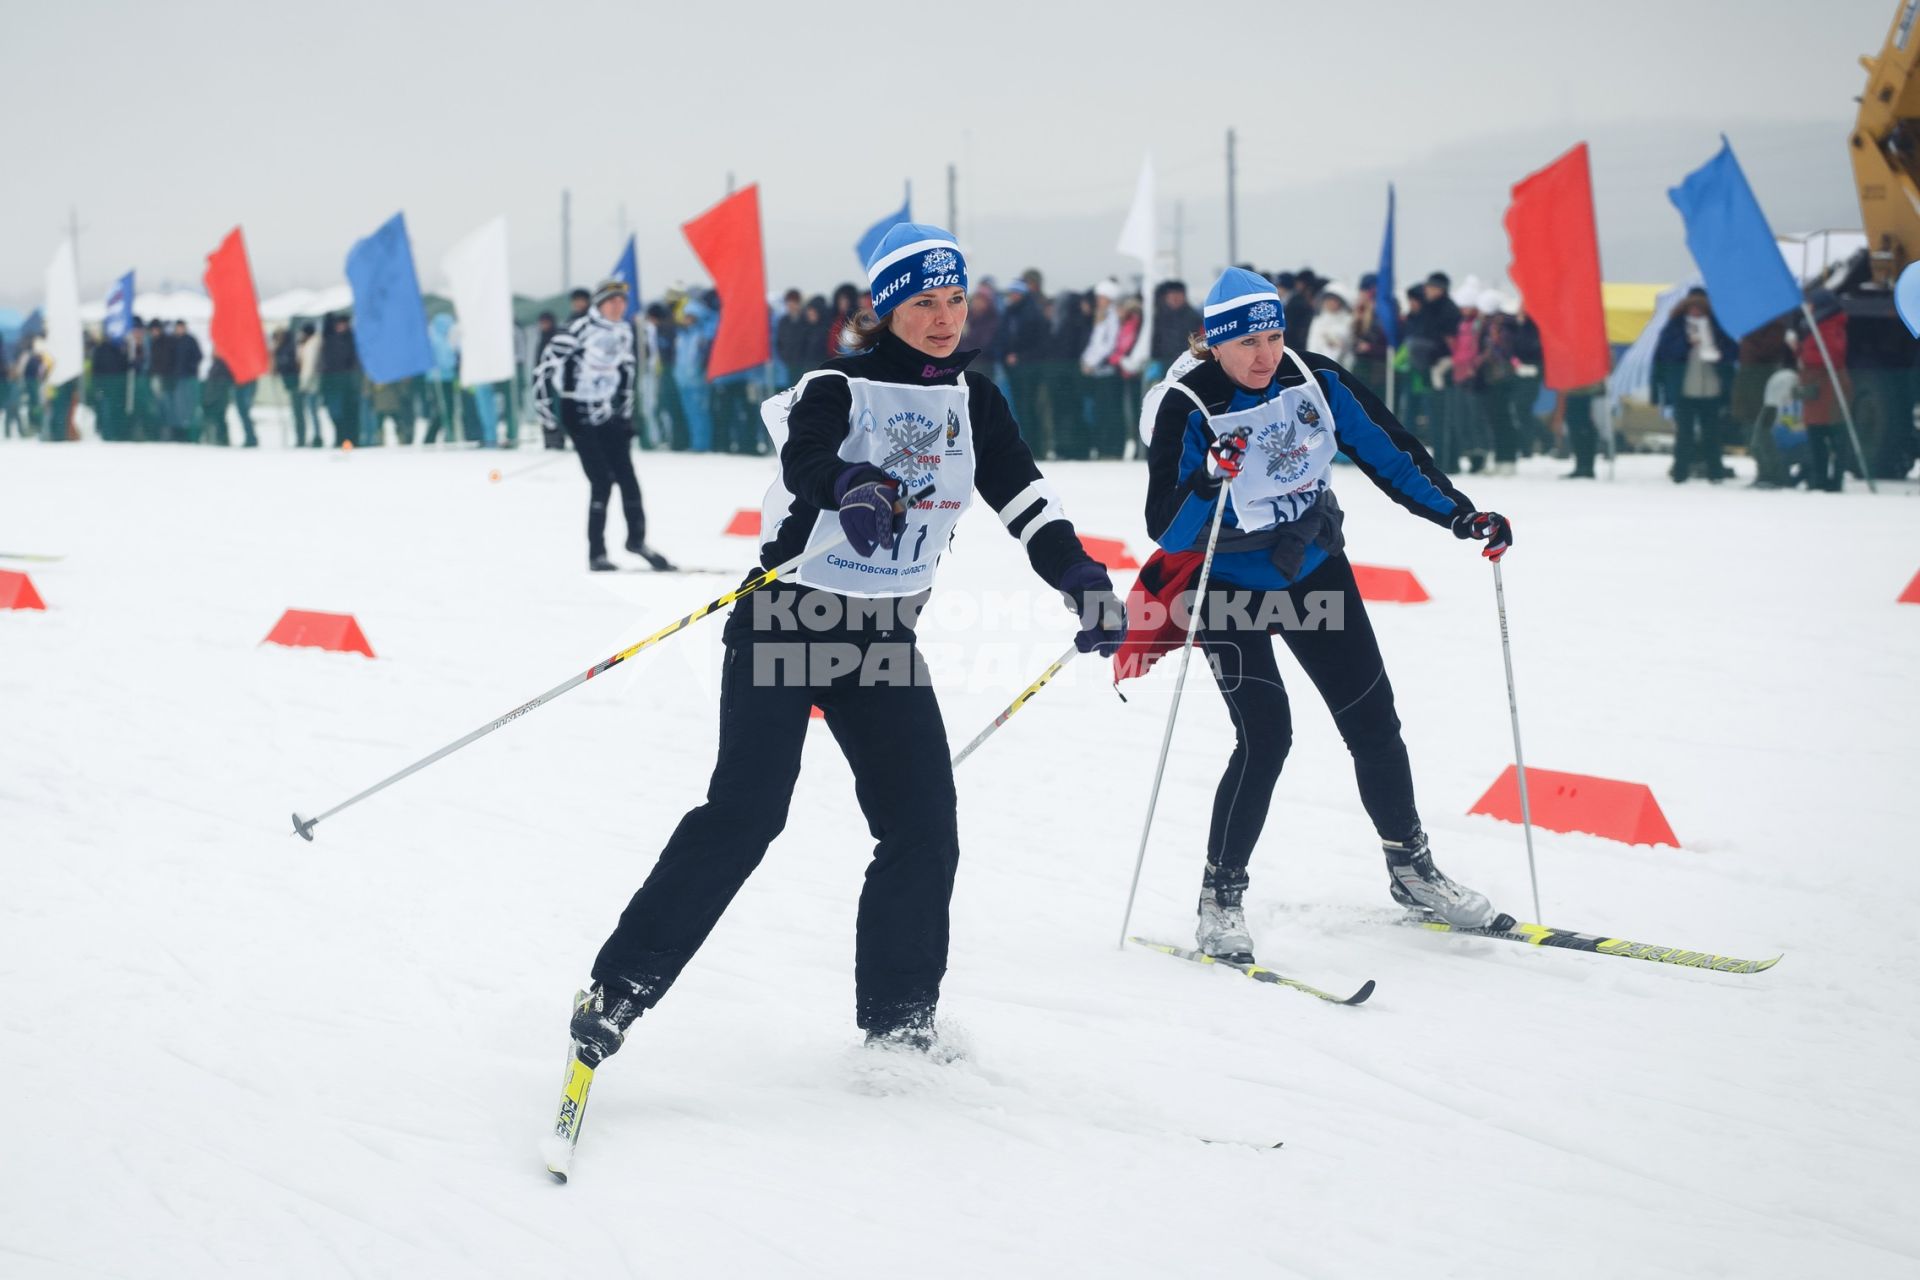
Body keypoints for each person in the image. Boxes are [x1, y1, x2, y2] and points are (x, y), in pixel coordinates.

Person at [567, 223, 1125, 1065]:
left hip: (882, 635)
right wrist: (854, 485)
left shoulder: (977, 400)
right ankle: (617, 991)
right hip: (788, 619)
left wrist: (1082, 578)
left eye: (955, 301)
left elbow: (1029, 506)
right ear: (887, 309)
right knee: (747, 815)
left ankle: (900, 1020)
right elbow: (808, 458)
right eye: (924, 303)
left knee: (924, 824)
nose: (944, 320)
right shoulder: (839, 383)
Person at [1127, 267, 1511, 962]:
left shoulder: (1313, 378)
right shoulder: (1189, 404)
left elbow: (1390, 453)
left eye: (1275, 336)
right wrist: (1208, 478)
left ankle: (1411, 868)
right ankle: (1221, 897)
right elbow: (1168, 528)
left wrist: (1460, 514)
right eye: (1248, 343)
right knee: (1267, 736)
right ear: (1216, 344)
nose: (1266, 355)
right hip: (1229, 586)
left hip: (1311, 570)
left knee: (1373, 721)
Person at [533, 278, 675, 571]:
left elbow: (627, 373)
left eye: (622, 301)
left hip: (608, 412)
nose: (618, 306)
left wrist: (625, 415)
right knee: (601, 481)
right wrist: (548, 421)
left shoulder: (624, 332)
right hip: (577, 411)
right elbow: (543, 372)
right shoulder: (576, 330)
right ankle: (596, 552)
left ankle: (637, 541)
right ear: (599, 304)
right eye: (612, 301)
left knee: (628, 477)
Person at [1652, 287, 1736, 483]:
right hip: (1685, 389)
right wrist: (1687, 343)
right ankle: (1681, 472)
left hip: (1711, 389)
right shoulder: (1675, 327)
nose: (1696, 311)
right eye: (1693, 308)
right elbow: (1666, 355)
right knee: (1684, 434)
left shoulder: (1717, 327)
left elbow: (1731, 351)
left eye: (1700, 308)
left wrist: (1718, 352)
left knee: (1712, 434)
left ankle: (1715, 471)